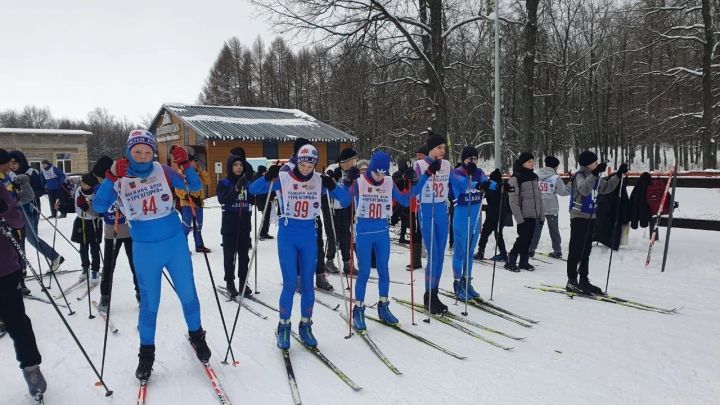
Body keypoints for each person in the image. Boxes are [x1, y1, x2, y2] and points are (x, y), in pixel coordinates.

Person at [93, 130, 211, 381]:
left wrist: (186, 165)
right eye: (137, 151)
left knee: (188, 293)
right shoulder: (120, 176)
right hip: (146, 248)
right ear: (128, 152)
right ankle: (146, 353)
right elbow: (99, 206)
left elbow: (196, 187)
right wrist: (110, 177)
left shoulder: (162, 170)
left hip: (174, 244)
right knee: (150, 303)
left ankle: (197, 336)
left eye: (148, 151)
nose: (143, 156)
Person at [249, 144, 350, 350]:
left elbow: (346, 200)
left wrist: (333, 185)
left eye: (310, 165)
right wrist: (268, 176)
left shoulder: (319, 180)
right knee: (289, 284)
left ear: (315, 164)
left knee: (307, 283)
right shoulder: (284, 178)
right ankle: (284, 326)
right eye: (302, 164)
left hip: (308, 236)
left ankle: (306, 325)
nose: (306, 169)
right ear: (297, 161)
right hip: (288, 234)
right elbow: (253, 190)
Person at [351, 151, 428, 330]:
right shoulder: (360, 182)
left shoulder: (388, 182)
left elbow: (405, 200)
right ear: (370, 169)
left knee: (384, 271)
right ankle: (359, 308)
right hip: (363, 233)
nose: (379, 176)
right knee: (363, 272)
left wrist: (415, 181)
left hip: (382, 232)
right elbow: (344, 198)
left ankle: (383, 306)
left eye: (382, 173)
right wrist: (346, 180)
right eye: (376, 172)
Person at [0, 182, 47, 400]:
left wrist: (5, 208)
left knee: (17, 322)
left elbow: (18, 220)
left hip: (5, 270)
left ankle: (31, 369)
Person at [565, 151, 626, 295]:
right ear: (588, 164)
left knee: (586, 250)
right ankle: (571, 280)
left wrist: (618, 175)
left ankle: (584, 279)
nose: (597, 164)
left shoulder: (595, 176)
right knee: (576, 249)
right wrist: (595, 174)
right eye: (595, 162)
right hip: (578, 216)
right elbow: (585, 189)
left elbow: (607, 188)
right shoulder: (580, 175)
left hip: (591, 217)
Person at [93, 156, 140, 310]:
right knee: (108, 266)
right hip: (111, 232)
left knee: (136, 265)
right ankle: (105, 297)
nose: (99, 180)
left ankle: (141, 294)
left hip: (129, 231)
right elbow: (98, 208)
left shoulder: (126, 182)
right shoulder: (101, 188)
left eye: (100, 177)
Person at [449, 147, 494, 300]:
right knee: (460, 251)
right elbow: (462, 186)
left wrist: (497, 184)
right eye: (470, 158)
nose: (473, 161)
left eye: (475, 158)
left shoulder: (479, 172)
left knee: (470, 251)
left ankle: (467, 281)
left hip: (475, 217)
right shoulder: (457, 173)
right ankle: (457, 283)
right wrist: (477, 184)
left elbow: (487, 183)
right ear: (463, 160)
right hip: (462, 217)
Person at [9, 151, 64, 271]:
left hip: (30, 209)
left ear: (21, 161)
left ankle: (54, 257)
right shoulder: (10, 175)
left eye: (15, 162)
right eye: (10, 163)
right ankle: (21, 267)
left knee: (31, 237)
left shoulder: (31, 172)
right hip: (16, 210)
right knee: (18, 239)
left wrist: (30, 195)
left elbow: (41, 189)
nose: (12, 165)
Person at [413, 133, 450, 314]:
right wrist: (428, 173)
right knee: (433, 255)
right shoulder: (420, 165)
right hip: (427, 211)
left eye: (444, 148)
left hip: (442, 211)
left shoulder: (447, 165)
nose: (443, 151)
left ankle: (435, 293)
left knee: (441, 256)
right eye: (439, 148)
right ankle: (428, 295)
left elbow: (456, 185)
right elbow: (414, 190)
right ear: (430, 149)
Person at [217, 153, 254, 298]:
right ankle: (230, 282)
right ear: (230, 167)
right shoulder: (224, 183)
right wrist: (236, 188)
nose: (239, 168)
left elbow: (253, 199)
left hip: (244, 222)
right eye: (235, 165)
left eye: (240, 165)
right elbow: (223, 200)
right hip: (229, 223)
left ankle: (243, 281)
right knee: (229, 256)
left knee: (244, 256)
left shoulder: (247, 183)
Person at [505, 152, 544, 272]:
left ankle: (524, 261)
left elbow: (539, 198)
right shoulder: (515, 178)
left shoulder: (534, 177)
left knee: (529, 239)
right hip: (523, 215)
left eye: (533, 161)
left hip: (534, 214)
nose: (532, 164)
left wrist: (541, 214)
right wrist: (519, 218)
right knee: (523, 238)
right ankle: (511, 260)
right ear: (523, 163)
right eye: (529, 162)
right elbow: (513, 201)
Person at [528, 156, 569, 259]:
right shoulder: (555, 178)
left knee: (536, 229)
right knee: (554, 230)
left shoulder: (535, 175)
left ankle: (531, 249)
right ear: (555, 166)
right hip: (551, 208)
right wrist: (570, 185)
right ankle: (557, 251)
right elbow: (563, 192)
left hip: (538, 208)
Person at [327, 148, 359, 275]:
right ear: (344, 161)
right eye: (351, 161)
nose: (353, 164)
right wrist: (332, 178)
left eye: (354, 161)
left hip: (345, 206)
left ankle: (347, 263)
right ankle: (329, 261)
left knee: (346, 235)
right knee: (333, 235)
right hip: (330, 206)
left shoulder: (352, 171)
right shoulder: (332, 168)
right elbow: (325, 181)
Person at [175, 151, 212, 253]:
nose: (196, 163)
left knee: (198, 226)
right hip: (188, 204)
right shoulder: (181, 173)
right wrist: (187, 196)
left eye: (196, 161)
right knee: (186, 227)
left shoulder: (198, 173)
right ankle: (183, 248)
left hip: (198, 203)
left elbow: (208, 181)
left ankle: (199, 245)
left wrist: (201, 171)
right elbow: (178, 189)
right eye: (194, 161)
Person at [475, 169, 511, 261]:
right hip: (501, 214)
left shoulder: (491, 186)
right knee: (498, 234)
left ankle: (481, 252)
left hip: (492, 215)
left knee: (485, 233)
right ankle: (503, 253)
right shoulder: (501, 187)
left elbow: (482, 193)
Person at [406, 145, 428, 271]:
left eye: (421, 155)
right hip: (415, 205)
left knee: (423, 231)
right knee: (415, 233)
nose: (418, 157)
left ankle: (426, 258)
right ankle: (415, 260)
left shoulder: (425, 168)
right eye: (417, 155)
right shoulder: (416, 167)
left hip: (423, 206)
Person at [253, 165, 275, 240]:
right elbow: (261, 190)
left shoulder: (265, 178)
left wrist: (272, 196)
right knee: (265, 218)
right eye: (264, 171)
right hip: (262, 201)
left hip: (267, 200)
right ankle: (262, 233)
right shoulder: (259, 179)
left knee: (267, 217)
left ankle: (265, 232)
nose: (265, 173)